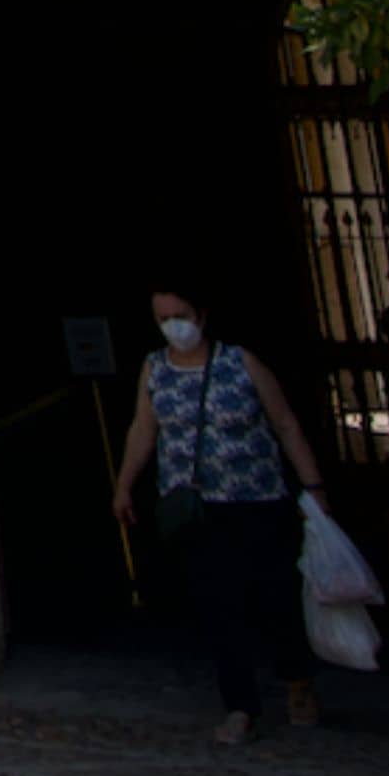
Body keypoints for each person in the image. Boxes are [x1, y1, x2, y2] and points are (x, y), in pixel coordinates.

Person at [108, 286, 329, 743]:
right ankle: (240, 705)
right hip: (197, 508)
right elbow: (143, 429)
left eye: (180, 315)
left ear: (202, 315)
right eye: (164, 318)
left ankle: (297, 681)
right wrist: (125, 484)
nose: (174, 326)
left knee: (274, 597)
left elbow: (284, 423)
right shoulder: (155, 369)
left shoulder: (240, 363)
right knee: (219, 605)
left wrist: (313, 487)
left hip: (255, 500)